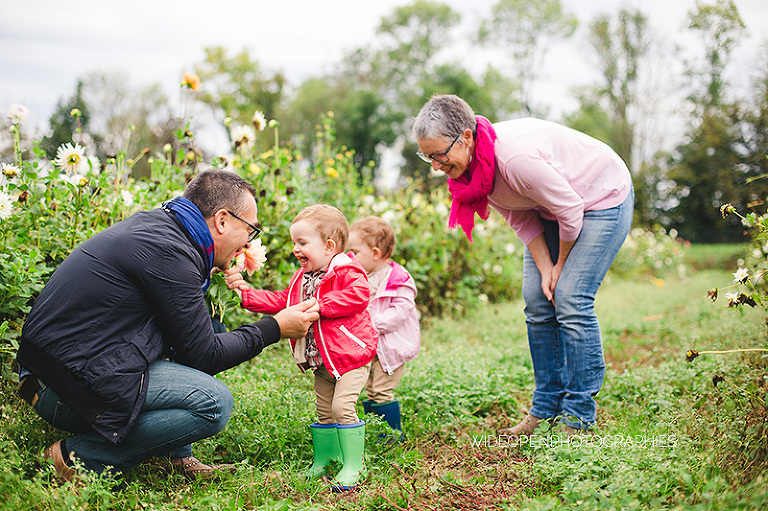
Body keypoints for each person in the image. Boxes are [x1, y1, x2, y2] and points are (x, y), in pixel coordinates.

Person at [16, 169, 320, 482]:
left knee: (204, 338)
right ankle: (76, 459)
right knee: (214, 404)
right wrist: (275, 328)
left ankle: (176, 455)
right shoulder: (170, 254)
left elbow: (189, 339)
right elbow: (205, 355)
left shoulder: (165, 230)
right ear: (222, 220)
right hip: (62, 388)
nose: (248, 242)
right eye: (250, 230)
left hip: (59, 370)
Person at [412, 94, 633, 435]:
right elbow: (520, 217)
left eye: (439, 155)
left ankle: (578, 416)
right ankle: (546, 408)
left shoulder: (514, 159)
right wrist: (545, 269)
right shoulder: (475, 172)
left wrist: (559, 266)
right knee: (537, 299)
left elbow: (570, 211)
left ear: (466, 137)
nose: (436, 167)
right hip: (552, 209)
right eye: (427, 157)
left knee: (570, 297)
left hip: (600, 198)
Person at [235, 204, 377, 491]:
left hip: (351, 357)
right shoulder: (303, 278)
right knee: (324, 411)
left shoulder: (346, 270)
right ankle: (327, 460)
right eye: (294, 243)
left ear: (329, 246)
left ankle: (355, 466)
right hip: (321, 360)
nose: (295, 249)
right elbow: (284, 301)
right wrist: (246, 296)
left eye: (302, 242)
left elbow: (359, 295)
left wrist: (321, 305)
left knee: (341, 407)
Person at [347, 216, 420, 441]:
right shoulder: (360, 276)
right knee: (370, 388)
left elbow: (401, 310)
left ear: (376, 253)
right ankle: (379, 432)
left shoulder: (398, 279)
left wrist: (371, 324)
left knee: (381, 390)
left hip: (391, 347)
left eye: (355, 252)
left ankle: (391, 436)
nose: (350, 256)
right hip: (370, 345)